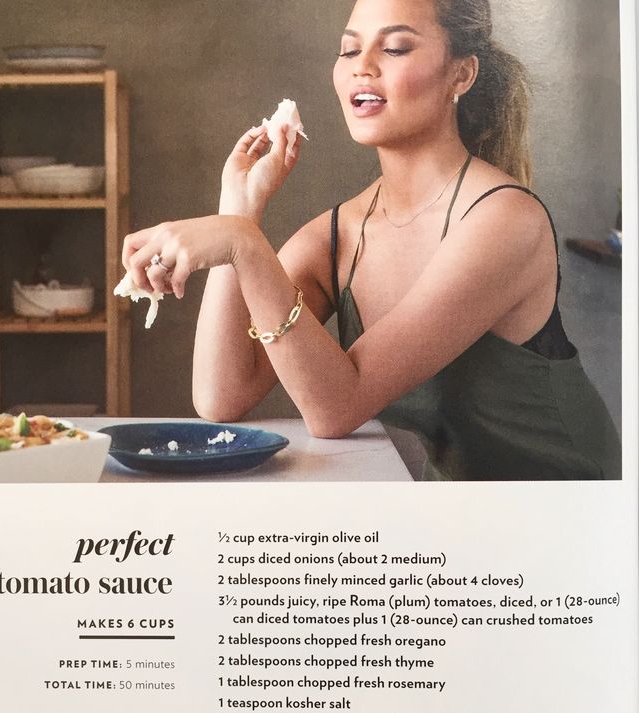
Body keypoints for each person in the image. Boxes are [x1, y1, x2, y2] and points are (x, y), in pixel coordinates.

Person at [121, 0, 621, 480]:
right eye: (348, 50)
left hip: (575, 511)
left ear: (461, 75)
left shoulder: (504, 219)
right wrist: (240, 211)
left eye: (396, 48)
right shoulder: (342, 234)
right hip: (460, 515)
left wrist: (242, 243)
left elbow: (337, 407)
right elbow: (221, 395)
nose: (362, 67)